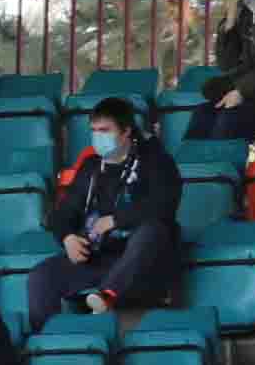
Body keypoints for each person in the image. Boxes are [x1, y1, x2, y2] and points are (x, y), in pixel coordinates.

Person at [25, 95, 182, 327]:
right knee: (42, 276)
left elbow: (164, 205)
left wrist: (116, 220)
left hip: (143, 263)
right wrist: (67, 237)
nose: (98, 137)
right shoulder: (91, 167)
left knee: (152, 230)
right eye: (94, 130)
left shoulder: (157, 162)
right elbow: (62, 213)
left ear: (126, 131)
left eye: (105, 130)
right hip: (99, 258)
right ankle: (47, 344)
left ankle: (107, 295)